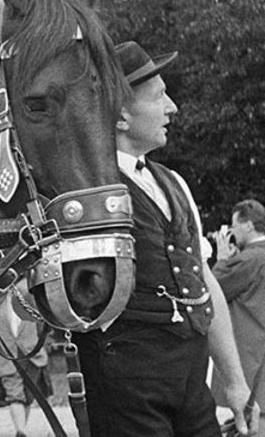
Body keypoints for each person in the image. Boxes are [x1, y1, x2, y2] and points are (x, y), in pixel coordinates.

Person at [71, 41, 258, 437]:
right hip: (125, 383)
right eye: (159, 97)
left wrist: (236, 382)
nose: (172, 107)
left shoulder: (173, 183)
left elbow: (204, 285)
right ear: (120, 116)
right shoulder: (85, 191)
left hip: (190, 380)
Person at [211, 199, 265, 422]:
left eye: (233, 226)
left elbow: (212, 291)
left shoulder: (249, 259)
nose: (232, 232)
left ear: (248, 226)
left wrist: (222, 260)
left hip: (246, 363)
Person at [0, 290, 50, 437]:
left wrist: (43, 348)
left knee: (28, 396)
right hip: (7, 357)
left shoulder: (29, 300)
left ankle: (22, 428)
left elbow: (43, 328)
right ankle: (21, 430)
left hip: (31, 355)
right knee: (14, 394)